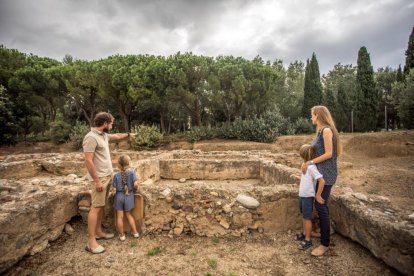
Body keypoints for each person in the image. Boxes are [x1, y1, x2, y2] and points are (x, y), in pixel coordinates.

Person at [83, 112, 135, 254]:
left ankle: (99, 232)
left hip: (107, 176)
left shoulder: (103, 136)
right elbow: (88, 160)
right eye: (111, 123)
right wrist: (97, 180)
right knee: (96, 207)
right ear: (105, 123)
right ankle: (91, 241)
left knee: (101, 206)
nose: (112, 126)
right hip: (99, 178)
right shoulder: (91, 137)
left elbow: (118, 136)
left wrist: (129, 135)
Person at [301, 105, 342, 256]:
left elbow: (330, 153)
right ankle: (327, 231)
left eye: (312, 115)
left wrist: (310, 163)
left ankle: (325, 244)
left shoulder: (326, 130)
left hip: (327, 175)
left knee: (320, 206)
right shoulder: (320, 131)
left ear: (317, 115)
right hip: (321, 173)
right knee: (321, 206)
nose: (311, 118)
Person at [296, 144, 325, 250]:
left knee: (307, 218)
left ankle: (308, 240)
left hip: (308, 196)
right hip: (302, 195)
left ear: (303, 155)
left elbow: (321, 181)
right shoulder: (305, 164)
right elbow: (307, 179)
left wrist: (317, 195)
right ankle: (305, 233)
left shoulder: (311, 167)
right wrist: (299, 177)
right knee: (304, 215)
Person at [112, 155, 140, 241]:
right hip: (128, 196)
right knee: (129, 215)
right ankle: (135, 233)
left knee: (119, 217)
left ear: (119, 165)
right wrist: (135, 186)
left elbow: (114, 189)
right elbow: (136, 184)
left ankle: (122, 236)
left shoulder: (116, 176)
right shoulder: (132, 173)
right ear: (128, 163)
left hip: (119, 196)